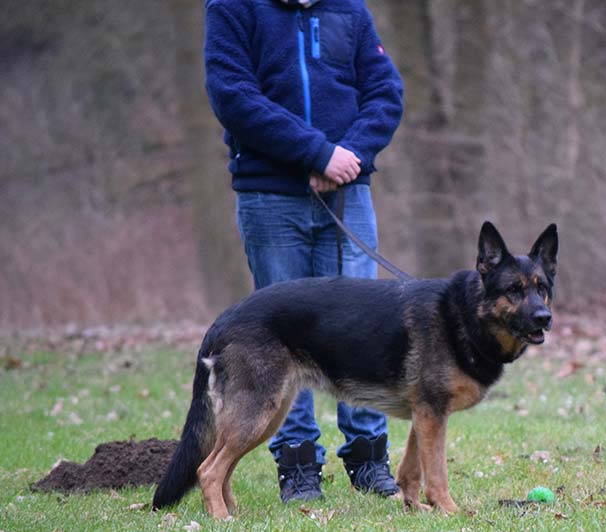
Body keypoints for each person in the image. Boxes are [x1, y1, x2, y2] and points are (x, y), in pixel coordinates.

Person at [203, 0, 404, 503]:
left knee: (365, 331)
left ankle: (368, 460)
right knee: (279, 339)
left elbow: (385, 92)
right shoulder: (232, 9)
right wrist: (315, 152)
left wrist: (348, 157)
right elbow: (233, 95)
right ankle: (298, 469)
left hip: (348, 193)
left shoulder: (350, 10)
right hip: (269, 198)